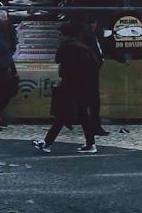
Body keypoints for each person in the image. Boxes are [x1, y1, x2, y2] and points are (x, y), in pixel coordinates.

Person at [35, 20, 101, 153]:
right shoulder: (83, 47)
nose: (59, 37)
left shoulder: (67, 47)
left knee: (62, 115)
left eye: (60, 34)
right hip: (83, 86)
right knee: (82, 115)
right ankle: (90, 144)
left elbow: (58, 60)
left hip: (71, 86)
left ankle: (47, 143)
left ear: (65, 35)